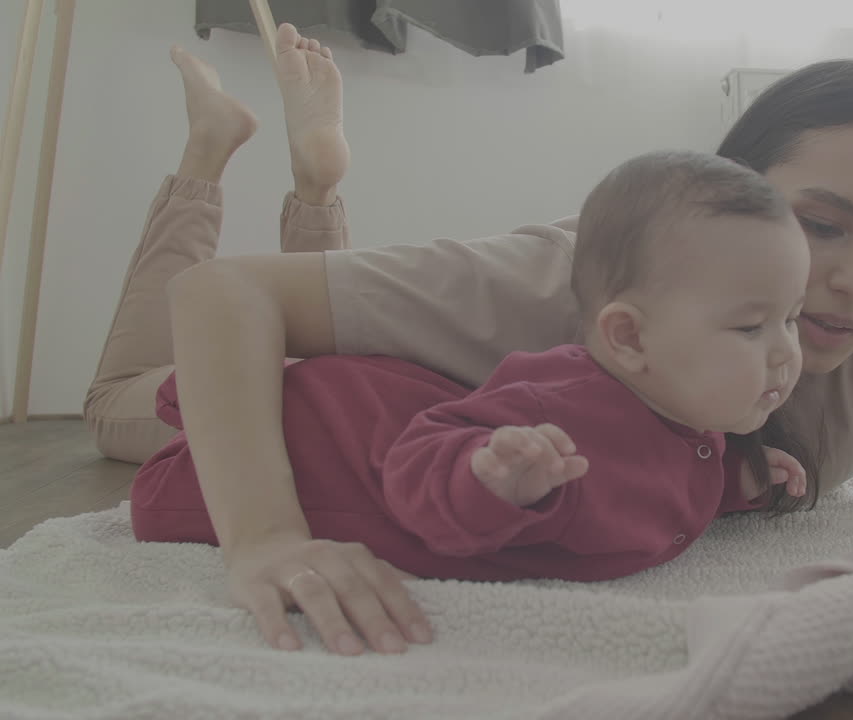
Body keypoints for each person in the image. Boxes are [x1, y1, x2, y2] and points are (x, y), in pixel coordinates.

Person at [86, 23, 853, 657]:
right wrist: (266, 537)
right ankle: (209, 155)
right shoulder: (561, 279)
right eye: (817, 225)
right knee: (125, 398)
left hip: (397, 408)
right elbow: (224, 299)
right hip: (305, 415)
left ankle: (318, 187)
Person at [131, 149, 811, 591]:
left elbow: (647, 485)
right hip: (304, 445)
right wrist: (490, 480)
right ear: (629, 337)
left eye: (791, 317)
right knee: (127, 422)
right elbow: (421, 477)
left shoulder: (684, 407)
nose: (785, 350)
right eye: (752, 327)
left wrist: (733, 484)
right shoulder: (558, 404)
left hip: (357, 402)